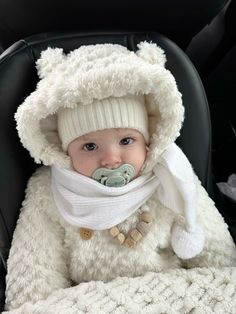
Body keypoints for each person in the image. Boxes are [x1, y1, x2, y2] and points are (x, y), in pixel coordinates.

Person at [4, 42, 236, 313]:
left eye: (126, 140)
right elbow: (34, 277)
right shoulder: (49, 192)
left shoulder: (170, 176)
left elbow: (217, 258)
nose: (112, 159)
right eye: (90, 147)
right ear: (65, 151)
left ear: (148, 141)